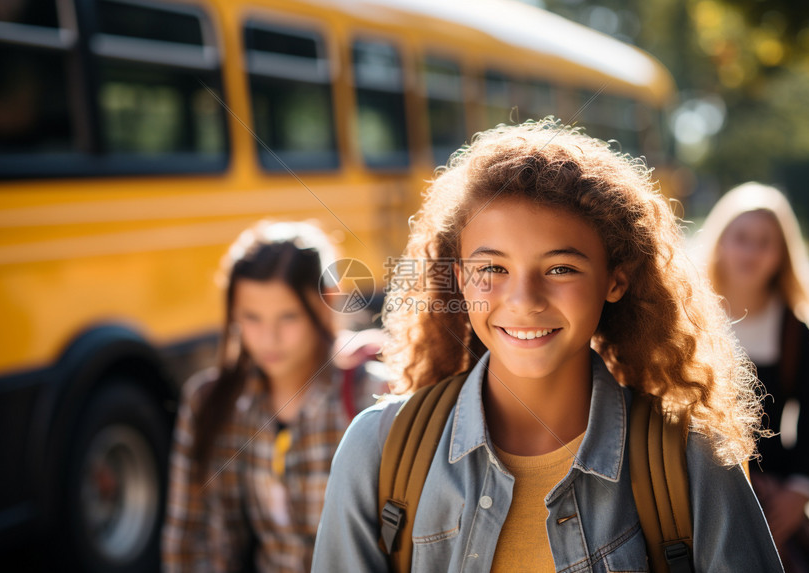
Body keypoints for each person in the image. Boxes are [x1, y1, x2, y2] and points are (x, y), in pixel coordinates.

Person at [311, 118, 783, 572]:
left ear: (615, 280)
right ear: (459, 279)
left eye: (560, 268)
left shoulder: (692, 459)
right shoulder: (376, 450)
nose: (524, 301)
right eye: (492, 269)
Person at [162, 220, 386, 573]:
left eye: (288, 317)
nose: (269, 338)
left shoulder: (372, 397)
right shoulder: (209, 404)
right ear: (233, 311)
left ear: (328, 300)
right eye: (252, 318)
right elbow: (189, 539)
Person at [700, 182, 809, 572]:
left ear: (782, 254)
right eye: (741, 238)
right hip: (694, 491)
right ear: (720, 242)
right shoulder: (687, 322)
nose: (752, 251)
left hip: (773, 505)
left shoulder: (795, 333)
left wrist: (797, 491)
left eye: (765, 242)